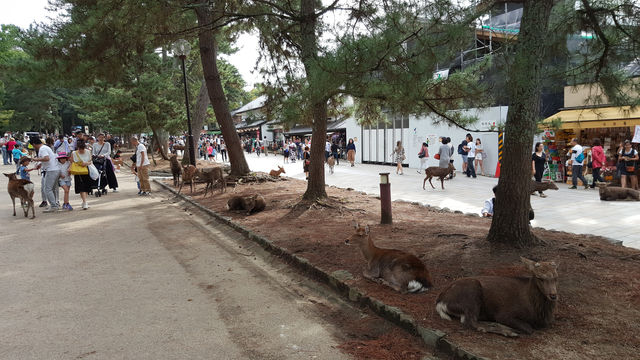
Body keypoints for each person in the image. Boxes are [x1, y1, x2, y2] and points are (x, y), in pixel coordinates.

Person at [31, 137, 61, 212]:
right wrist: (40, 164)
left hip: (51, 170)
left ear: (34, 144)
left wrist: (36, 159)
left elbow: (47, 158)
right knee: (53, 188)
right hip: (54, 169)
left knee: (47, 189)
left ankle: (53, 205)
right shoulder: (45, 147)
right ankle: (55, 204)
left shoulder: (42, 149)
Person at [71, 140, 93, 209]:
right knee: (81, 187)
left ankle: (84, 201)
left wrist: (85, 163)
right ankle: (85, 201)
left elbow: (90, 161)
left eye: (82, 149)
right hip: (78, 172)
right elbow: (72, 162)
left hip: (87, 171)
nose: (81, 150)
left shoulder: (88, 152)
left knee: (86, 188)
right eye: (80, 149)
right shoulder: (74, 153)